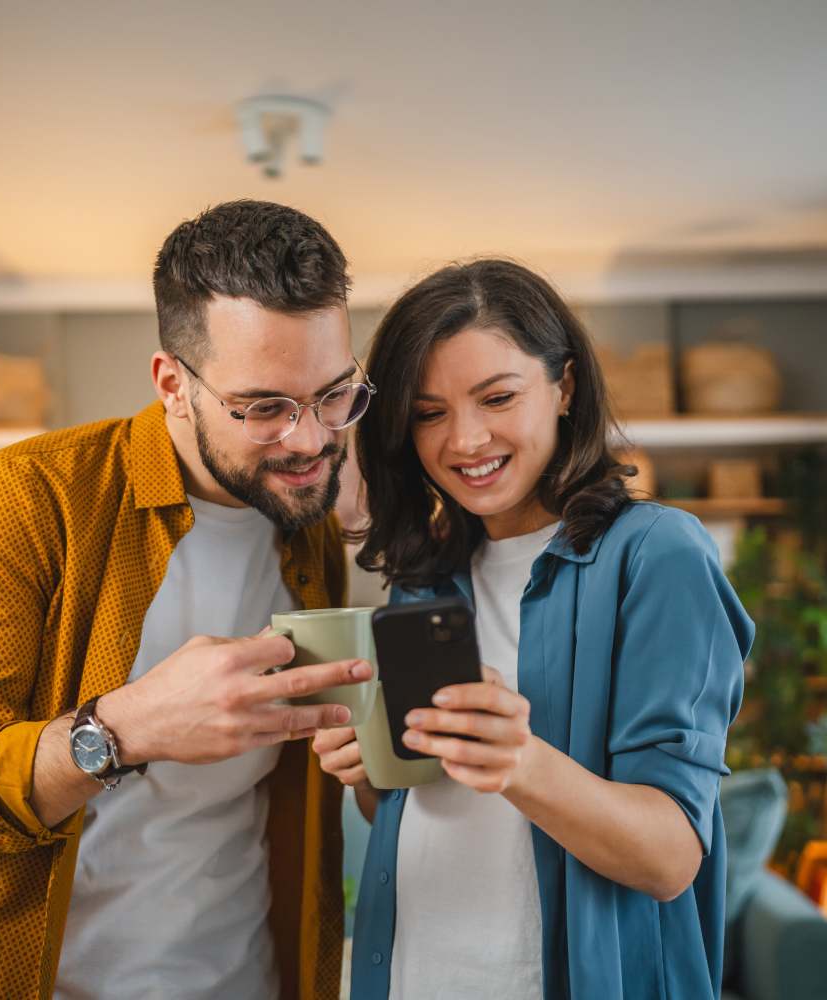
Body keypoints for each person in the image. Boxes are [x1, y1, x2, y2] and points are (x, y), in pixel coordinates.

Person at [0, 200, 378, 1000]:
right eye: (265, 408)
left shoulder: (305, 520)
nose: (310, 439)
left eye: (333, 394)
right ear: (173, 385)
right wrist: (123, 729)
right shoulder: (29, 496)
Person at [313, 259, 752, 999]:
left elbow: (672, 855)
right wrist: (369, 768)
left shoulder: (656, 555)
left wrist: (521, 762)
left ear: (565, 386)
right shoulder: (424, 576)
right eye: (429, 413)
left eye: (497, 397)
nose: (465, 440)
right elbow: (420, 807)